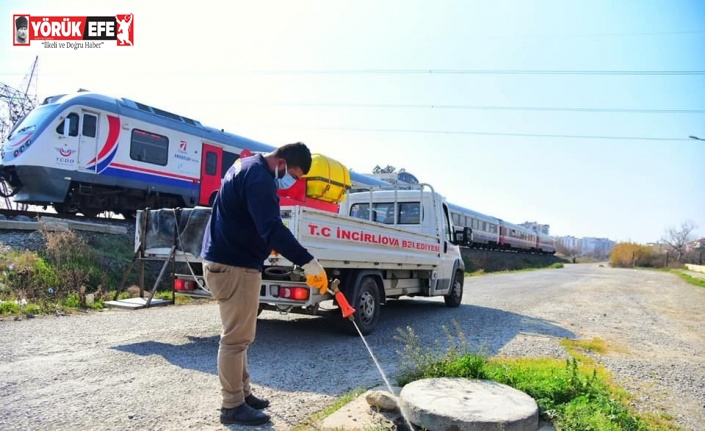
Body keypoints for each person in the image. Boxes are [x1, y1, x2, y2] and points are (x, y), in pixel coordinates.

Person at [200, 142, 329, 426]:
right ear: (282, 162)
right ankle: (232, 405)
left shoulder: (244, 166)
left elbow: (242, 216)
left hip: (225, 259)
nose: (291, 182)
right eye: (293, 175)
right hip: (235, 265)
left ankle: (243, 394)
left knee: (240, 337)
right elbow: (272, 228)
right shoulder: (260, 178)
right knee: (235, 340)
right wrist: (307, 261)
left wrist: (260, 242)